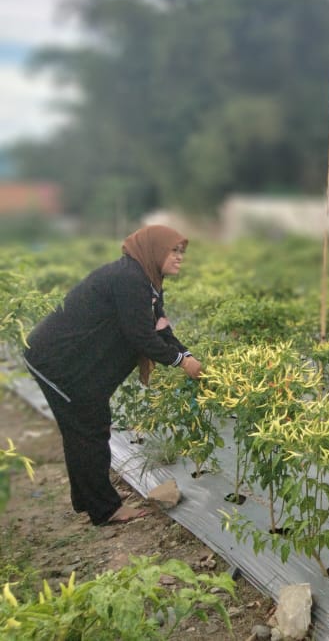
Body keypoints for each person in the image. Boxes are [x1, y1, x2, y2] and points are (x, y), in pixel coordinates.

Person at [23, 225, 203, 526]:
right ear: (155, 250)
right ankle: (104, 509)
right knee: (88, 429)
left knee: (85, 429)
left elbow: (160, 327)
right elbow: (141, 337)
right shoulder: (129, 279)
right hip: (57, 363)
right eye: (174, 251)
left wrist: (186, 354)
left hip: (75, 365)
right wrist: (182, 363)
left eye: (181, 252)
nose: (180, 258)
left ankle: (88, 500)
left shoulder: (147, 282)